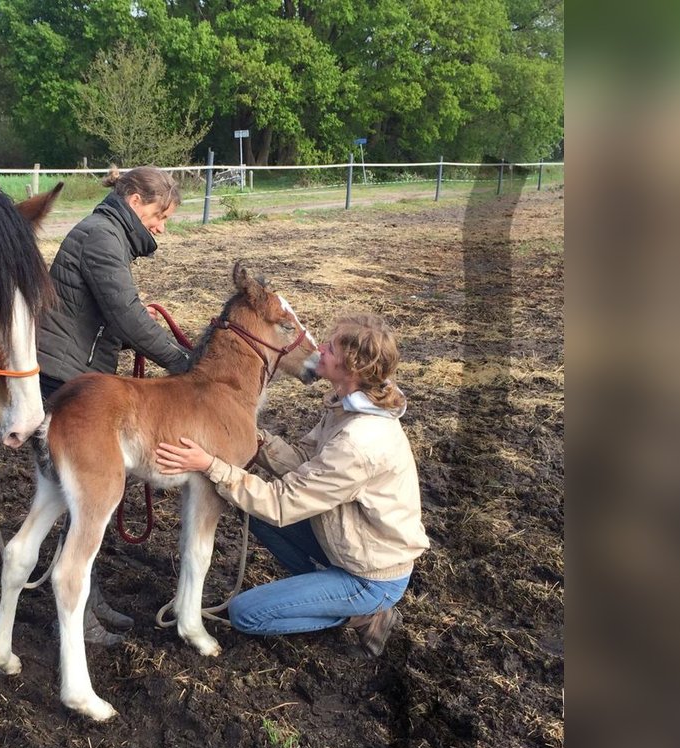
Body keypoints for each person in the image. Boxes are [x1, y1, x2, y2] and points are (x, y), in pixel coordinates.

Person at [154, 313, 429, 656]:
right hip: (345, 543)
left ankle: (360, 615)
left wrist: (213, 465)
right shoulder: (348, 407)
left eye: (331, 347)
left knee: (247, 615)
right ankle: (320, 588)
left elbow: (282, 504)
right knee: (247, 508)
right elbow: (303, 461)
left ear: (353, 369)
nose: (321, 348)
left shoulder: (359, 442)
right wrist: (244, 435)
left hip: (370, 575)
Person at [37, 165, 195, 645]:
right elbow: (126, 318)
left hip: (74, 371)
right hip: (64, 380)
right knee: (82, 500)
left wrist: (127, 328)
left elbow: (108, 314)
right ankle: (75, 610)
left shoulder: (104, 234)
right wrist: (182, 360)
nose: (162, 227)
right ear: (134, 202)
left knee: (86, 500)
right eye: (160, 215)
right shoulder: (102, 238)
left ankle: (90, 598)